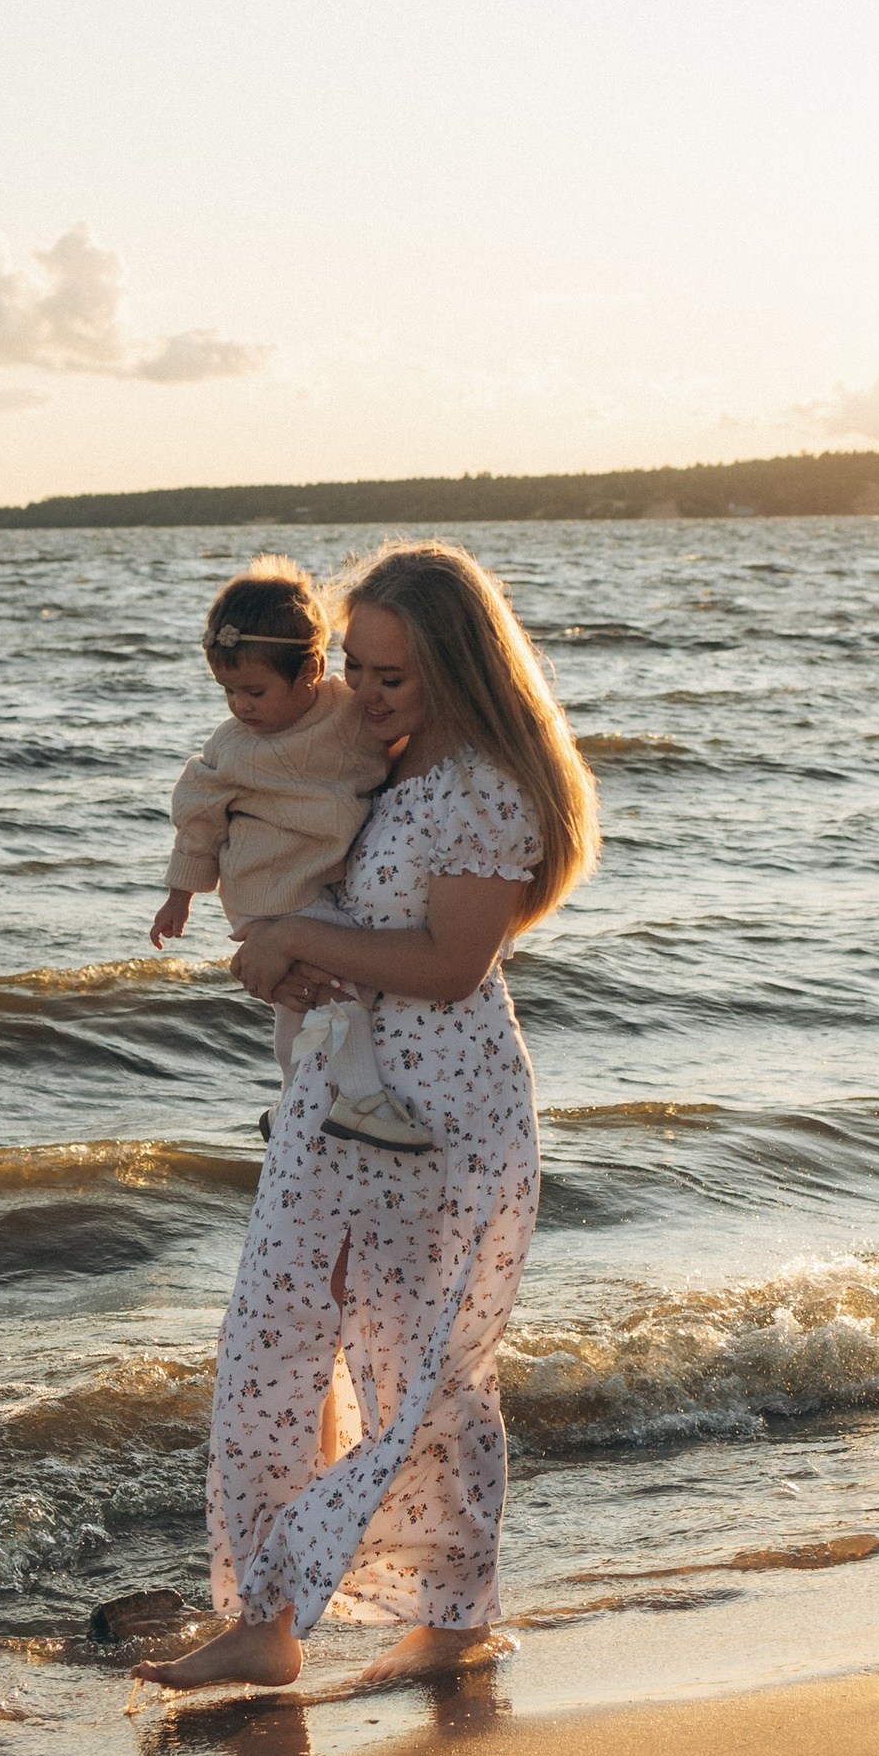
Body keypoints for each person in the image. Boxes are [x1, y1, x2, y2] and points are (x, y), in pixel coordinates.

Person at [148, 538, 598, 1695]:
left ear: (459, 669)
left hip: (437, 1110)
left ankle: (451, 1615)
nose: (365, 691)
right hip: (334, 1099)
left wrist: (298, 942)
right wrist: (274, 948)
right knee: (270, 1345)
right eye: (356, 665)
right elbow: (299, 882)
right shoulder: (372, 764)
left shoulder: (482, 789)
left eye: (392, 675)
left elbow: (450, 962)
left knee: (420, 1367)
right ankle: (266, 1613)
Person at [152, 559, 435, 1153]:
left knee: (304, 1003)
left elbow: (400, 737)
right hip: (271, 892)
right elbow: (197, 817)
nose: (240, 706)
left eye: (253, 691)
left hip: (318, 882)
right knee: (334, 990)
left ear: (310, 670)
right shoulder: (233, 749)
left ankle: (294, 1106)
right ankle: (357, 1098)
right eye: (227, 691)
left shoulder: (348, 711)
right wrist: (180, 896)